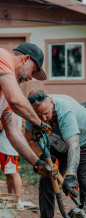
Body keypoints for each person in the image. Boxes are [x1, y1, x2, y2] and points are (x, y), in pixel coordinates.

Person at [23, 89, 86, 218]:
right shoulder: (30, 114)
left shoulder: (65, 110)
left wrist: (70, 177)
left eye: (46, 113)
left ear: (51, 103)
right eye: (39, 116)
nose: (43, 118)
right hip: (57, 144)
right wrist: (42, 157)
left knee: (85, 185)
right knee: (46, 180)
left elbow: (74, 146)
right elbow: (29, 139)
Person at [0, 42, 52, 177]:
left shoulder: (5, 94)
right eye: (33, 71)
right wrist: (38, 123)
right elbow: (16, 100)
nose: (30, 77)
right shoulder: (3, 56)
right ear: (25, 59)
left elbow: (13, 131)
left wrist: (36, 163)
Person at [0, 117, 23, 207]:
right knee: (8, 174)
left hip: (8, 146)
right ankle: (11, 198)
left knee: (13, 173)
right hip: (5, 145)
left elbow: (1, 125)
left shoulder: (8, 106)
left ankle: (18, 200)